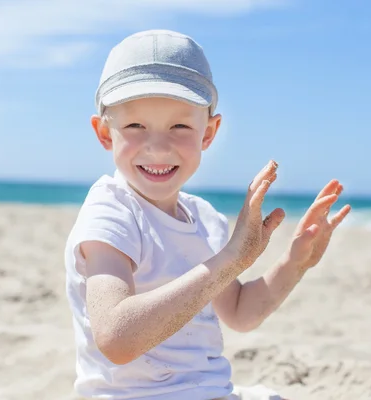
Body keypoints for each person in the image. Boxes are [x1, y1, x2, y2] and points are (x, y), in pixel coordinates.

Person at [64, 29, 351, 400]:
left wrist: (295, 263)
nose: (157, 145)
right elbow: (117, 338)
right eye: (135, 125)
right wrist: (233, 259)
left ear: (209, 133)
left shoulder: (204, 218)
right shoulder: (110, 213)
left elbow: (240, 313)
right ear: (105, 132)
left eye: (180, 125)